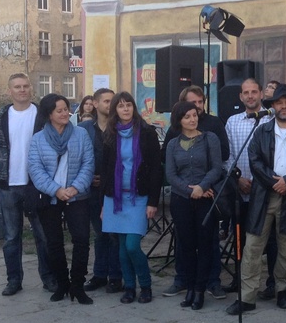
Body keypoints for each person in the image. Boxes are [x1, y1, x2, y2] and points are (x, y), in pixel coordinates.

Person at [226, 84, 286, 315]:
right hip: (263, 195)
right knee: (253, 245)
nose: (284, 106)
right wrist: (273, 181)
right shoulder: (261, 131)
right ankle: (247, 296)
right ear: (273, 106)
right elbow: (254, 161)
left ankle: (283, 290)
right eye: (279, 102)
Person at [161, 85, 229, 299]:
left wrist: (202, 187)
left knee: (206, 243)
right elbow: (171, 174)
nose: (193, 118)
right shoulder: (172, 143)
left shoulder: (210, 137)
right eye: (187, 116)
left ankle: (201, 288)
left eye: (195, 114)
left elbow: (217, 167)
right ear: (179, 120)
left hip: (206, 197)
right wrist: (190, 190)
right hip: (182, 200)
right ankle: (189, 287)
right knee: (186, 244)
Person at [0, 73, 55, 296]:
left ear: (31, 88)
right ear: (10, 90)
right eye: (17, 87)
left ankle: (48, 278)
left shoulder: (42, 115)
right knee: (11, 236)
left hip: (36, 184)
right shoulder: (0, 117)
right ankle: (14, 280)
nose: (22, 90)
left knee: (43, 234)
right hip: (9, 184)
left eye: (25, 86)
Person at [28, 94, 95, 304]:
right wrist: (56, 190)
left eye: (66, 109)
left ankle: (77, 285)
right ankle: (62, 284)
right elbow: (36, 170)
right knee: (54, 243)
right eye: (60, 110)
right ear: (49, 114)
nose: (65, 113)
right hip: (51, 198)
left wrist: (75, 188)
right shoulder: (38, 139)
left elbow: (88, 163)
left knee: (82, 240)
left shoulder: (81, 134)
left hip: (78, 196)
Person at [101, 92, 162, 304]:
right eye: (120, 106)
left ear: (133, 108)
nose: (125, 109)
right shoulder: (109, 134)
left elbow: (156, 169)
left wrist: (153, 201)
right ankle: (129, 287)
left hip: (139, 197)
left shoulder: (146, 133)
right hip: (115, 198)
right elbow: (106, 170)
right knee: (121, 248)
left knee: (132, 246)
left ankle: (145, 285)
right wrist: (103, 204)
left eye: (128, 105)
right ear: (115, 110)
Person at [223, 78, 276, 298]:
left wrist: (263, 179)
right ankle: (240, 279)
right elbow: (228, 156)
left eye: (254, 91)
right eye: (246, 92)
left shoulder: (272, 119)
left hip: (267, 190)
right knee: (241, 237)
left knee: (271, 239)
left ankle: (273, 282)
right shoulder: (232, 122)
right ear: (241, 97)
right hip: (241, 189)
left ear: (261, 94)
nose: (251, 96)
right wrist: (237, 179)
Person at [80, 89, 123, 294]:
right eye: (106, 101)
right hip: (92, 189)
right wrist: (88, 178)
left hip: (116, 189)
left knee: (114, 233)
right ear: (95, 104)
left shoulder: (121, 127)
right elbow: (76, 157)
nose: (110, 104)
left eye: (112, 101)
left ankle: (115, 276)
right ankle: (99, 274)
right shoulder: (84, 129)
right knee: (99, 233)